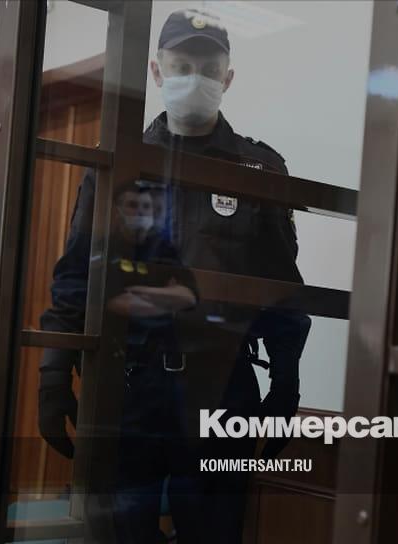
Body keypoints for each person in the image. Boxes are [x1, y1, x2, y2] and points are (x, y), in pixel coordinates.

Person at [37, 8, 310, 543]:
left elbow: (281, 286)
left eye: (209, 70)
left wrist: (286, 381)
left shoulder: (259, 169)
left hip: (223, 387)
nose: (195, 79)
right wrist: (53, 375)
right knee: (117, 533)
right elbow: (77, 279)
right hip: (128, 386)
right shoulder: (118, 162)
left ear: (228, 78)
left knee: (215, 533)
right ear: (157, 70)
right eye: (182, 66)